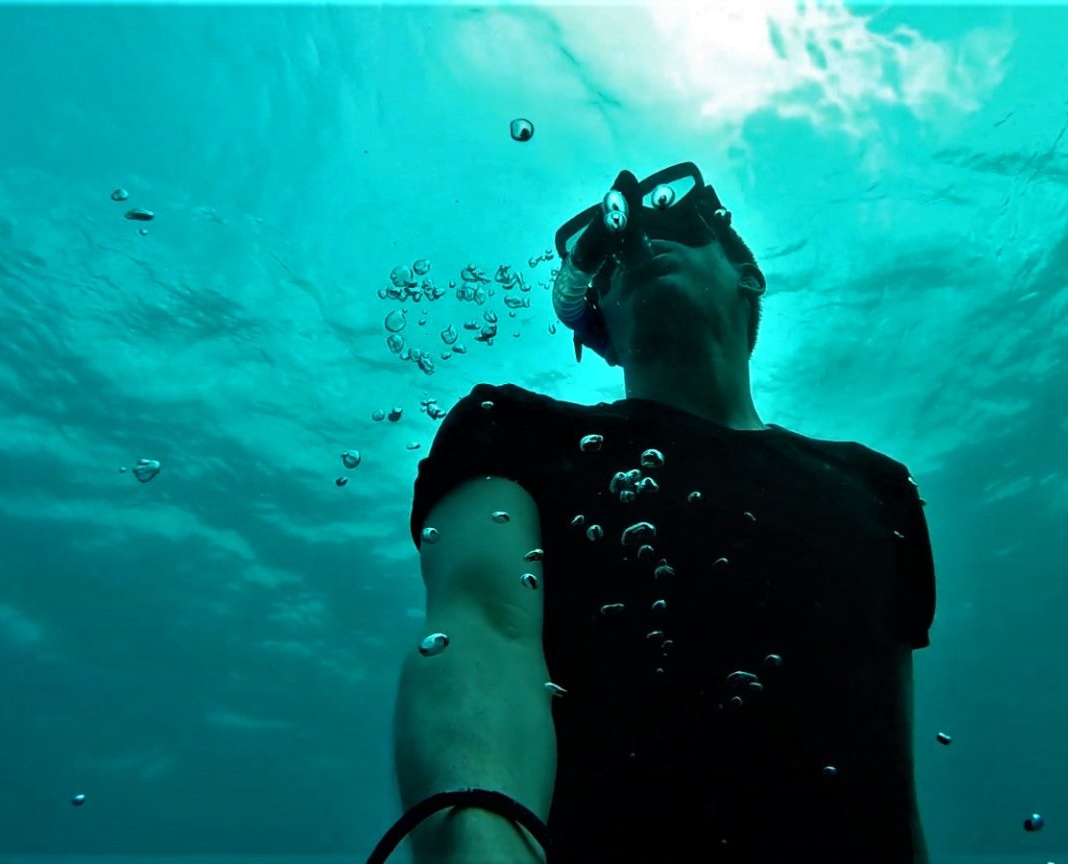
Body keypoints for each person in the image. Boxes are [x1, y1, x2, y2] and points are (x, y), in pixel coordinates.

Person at [379, 163, 936, 864]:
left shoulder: (880, 489)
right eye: (609, 257)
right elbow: (483, 628)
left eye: (679, 222)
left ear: (747, 275)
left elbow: (891, 767)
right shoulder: (510, 430)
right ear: (596, 322)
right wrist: (481, 844)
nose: (638, 242)